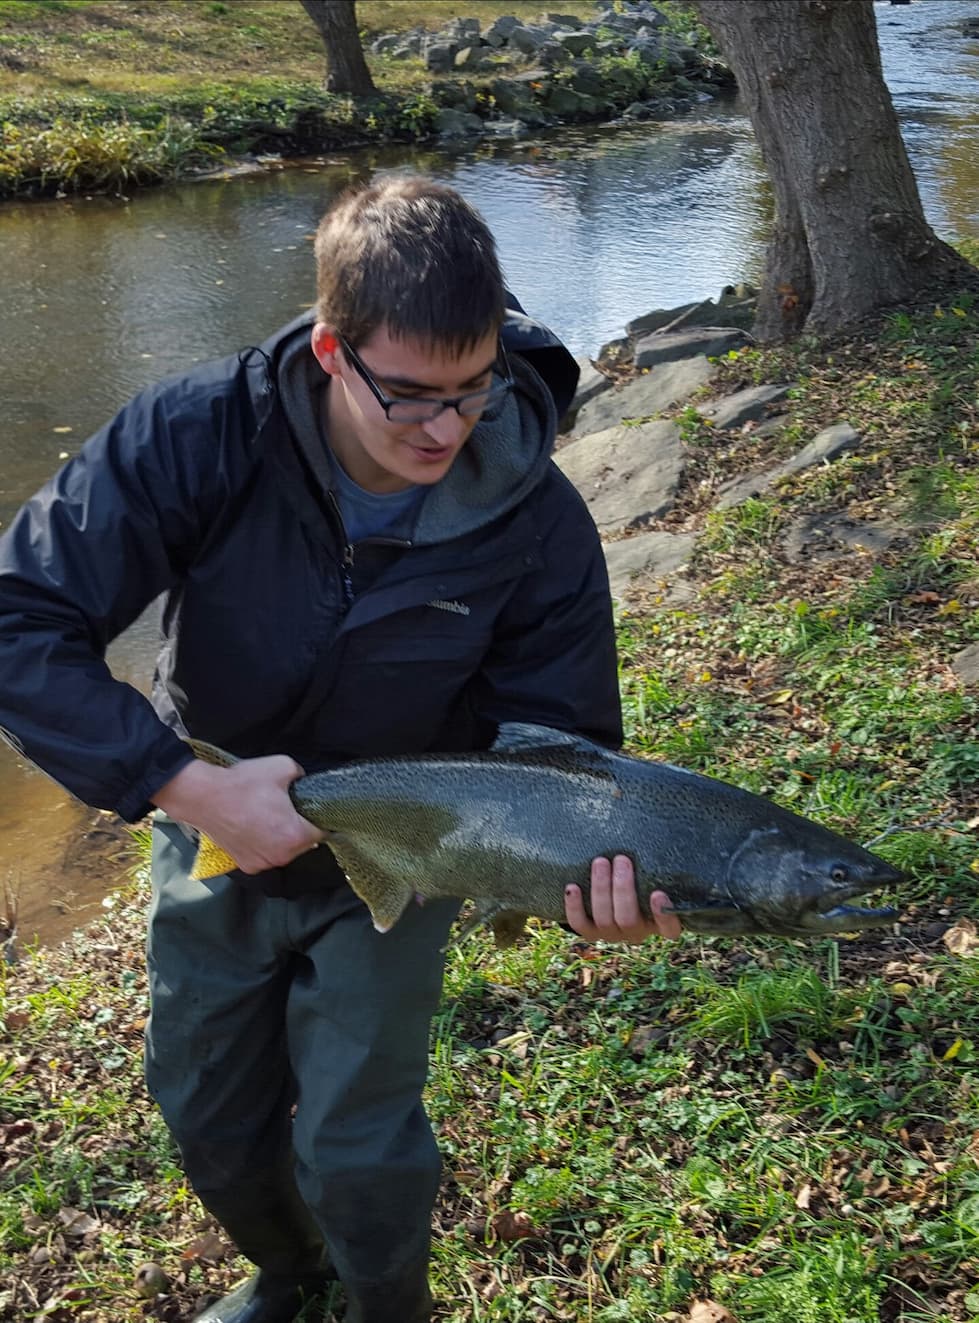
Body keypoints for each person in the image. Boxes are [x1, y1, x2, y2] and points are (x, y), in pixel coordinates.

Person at [0, 176, 680, 1323]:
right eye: (409, 396)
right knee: (207, 1115)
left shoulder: (538, 522)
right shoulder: (199, 434)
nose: (445, 430)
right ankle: (289, 1275)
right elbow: (20, 619)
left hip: (409, 861)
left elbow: (559, 754)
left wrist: (583, 885)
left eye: (472, 390)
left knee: (360, 1144)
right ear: (331, 348)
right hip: (213, 826)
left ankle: (384, 1307)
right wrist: (183, 784)